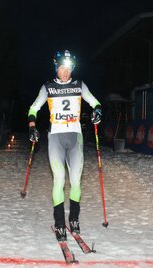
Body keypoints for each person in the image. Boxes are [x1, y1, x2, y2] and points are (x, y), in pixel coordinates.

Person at [27, 50, 102, 242]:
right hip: (56, 138)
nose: (65, 72)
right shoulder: (48, 87)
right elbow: (33, 108)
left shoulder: (79, 85)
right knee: (59, 179)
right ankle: (60, 222)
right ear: (56, 68)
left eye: (68, 69)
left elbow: (95, 102)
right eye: (62, 69)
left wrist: (98, 111)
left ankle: (74, 219)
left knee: (76, 181)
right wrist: (32, 127)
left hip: (75, 136)